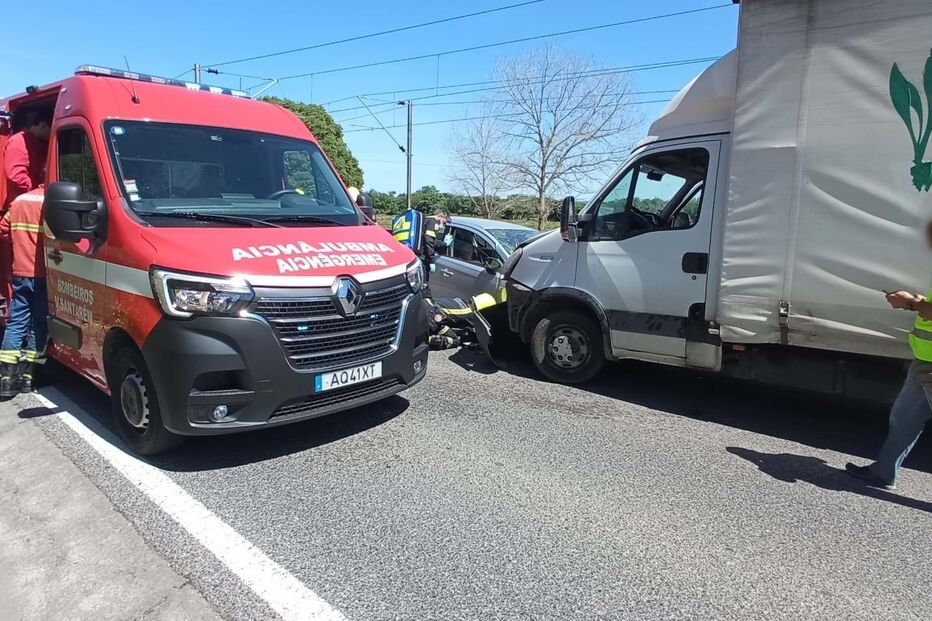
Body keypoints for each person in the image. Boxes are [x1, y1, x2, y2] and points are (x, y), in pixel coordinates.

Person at [846, 220, 932, 489]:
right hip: (924, 361)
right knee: (904, 418)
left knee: (905, 417)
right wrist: (916, 302)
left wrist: (909, 301)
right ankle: (883, 472)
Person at [0, 186, 47, 397]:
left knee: (16, 321)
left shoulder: (19, 200)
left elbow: (3, 228)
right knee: (39, 323)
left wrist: (19, 242)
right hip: (43, 273)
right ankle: (29, 378)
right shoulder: (50, 202)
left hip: (20, 271)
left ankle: (7, 381)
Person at [3, 109, 51, 209]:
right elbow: (15, 176)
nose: (52, 135)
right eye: (52, 130)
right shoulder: (19, 142)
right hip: (22, 206)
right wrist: (36, 191)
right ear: (43, 125)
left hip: (35, 203)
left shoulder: (41, 144)